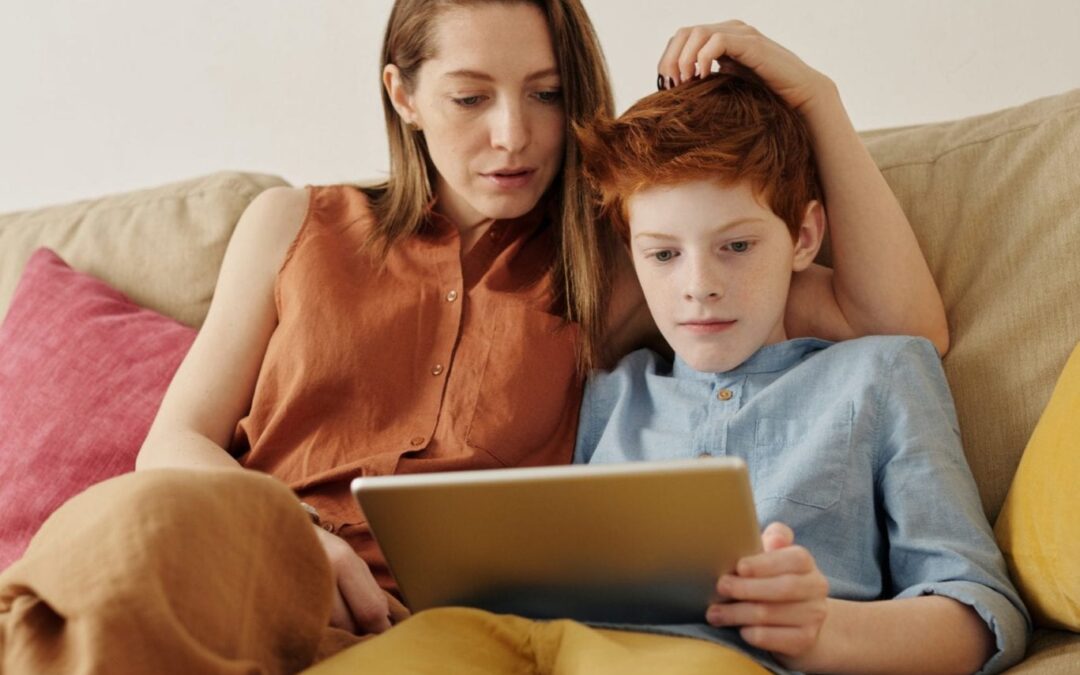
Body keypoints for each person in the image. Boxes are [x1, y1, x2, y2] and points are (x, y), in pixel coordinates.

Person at [0, 2, 949, 673]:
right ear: (403, 96)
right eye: (469, 97)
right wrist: (297, 538)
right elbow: (174, 443)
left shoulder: (623, 261)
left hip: (428, 632)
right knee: (128, 525)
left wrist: (816, 97)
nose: (513, 135)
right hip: (250, 551)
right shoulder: (289, 222)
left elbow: (894, 323)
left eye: (544, 94)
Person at [570, 74, 1030, 673]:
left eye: (736, 246)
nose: (699, 286)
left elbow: (983, 612)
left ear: (804, 237)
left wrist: (822, 631)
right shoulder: (614, 392)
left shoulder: (880, 374)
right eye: (663, 254)